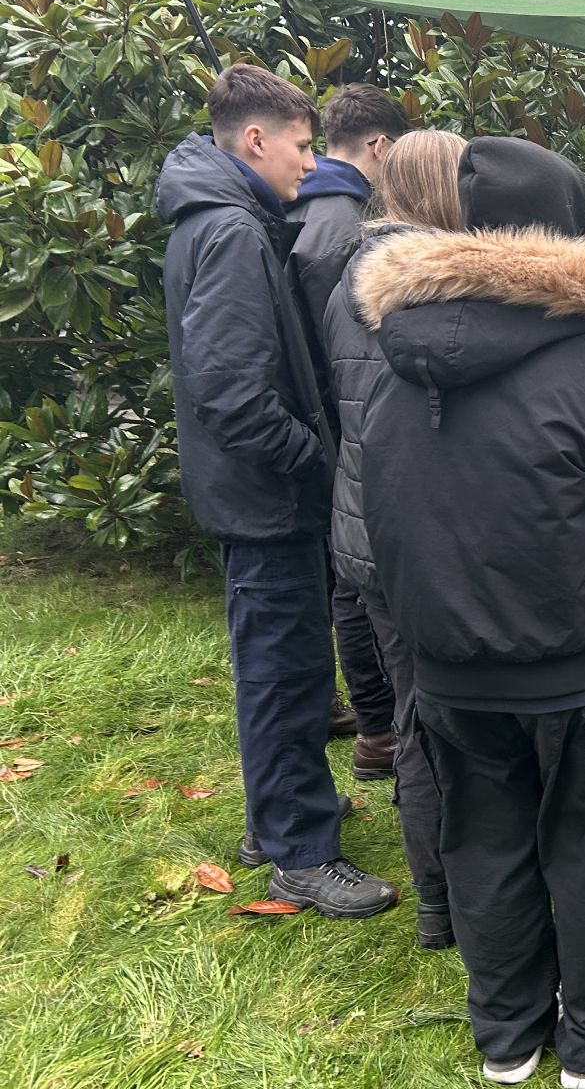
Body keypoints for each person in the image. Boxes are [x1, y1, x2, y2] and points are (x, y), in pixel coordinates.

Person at [355, 136, 585, 1088]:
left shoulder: (394, 364)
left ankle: (508, 1035)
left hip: (448, 669)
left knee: (485, 847)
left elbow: (381, 518)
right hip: (573, 665)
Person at [156, 63, 396, 919]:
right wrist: (317, 462)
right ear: (256, 139)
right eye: (300, 146)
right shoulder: (231, 233)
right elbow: (232, 395)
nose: (307, 164)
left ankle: (275, 820)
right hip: (267, 500)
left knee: (276, 663)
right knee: (287, 671)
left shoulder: (224, 218)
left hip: (255, 495)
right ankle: (300, 850)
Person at [322, 128, 465, 949]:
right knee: (441, 721)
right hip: (411, 530)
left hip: (362, 523)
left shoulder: (352, 272)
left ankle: (438, 902)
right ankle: (450, 897)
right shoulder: (421, 281)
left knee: (413, 714)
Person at [286, 83, 414, 780]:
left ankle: (374, 721)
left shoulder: (315, 204)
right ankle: (380, 728)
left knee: (351, 573)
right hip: (348, 417)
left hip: (337, 416)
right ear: (380, 146)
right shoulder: (339, 224)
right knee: (359, 580)